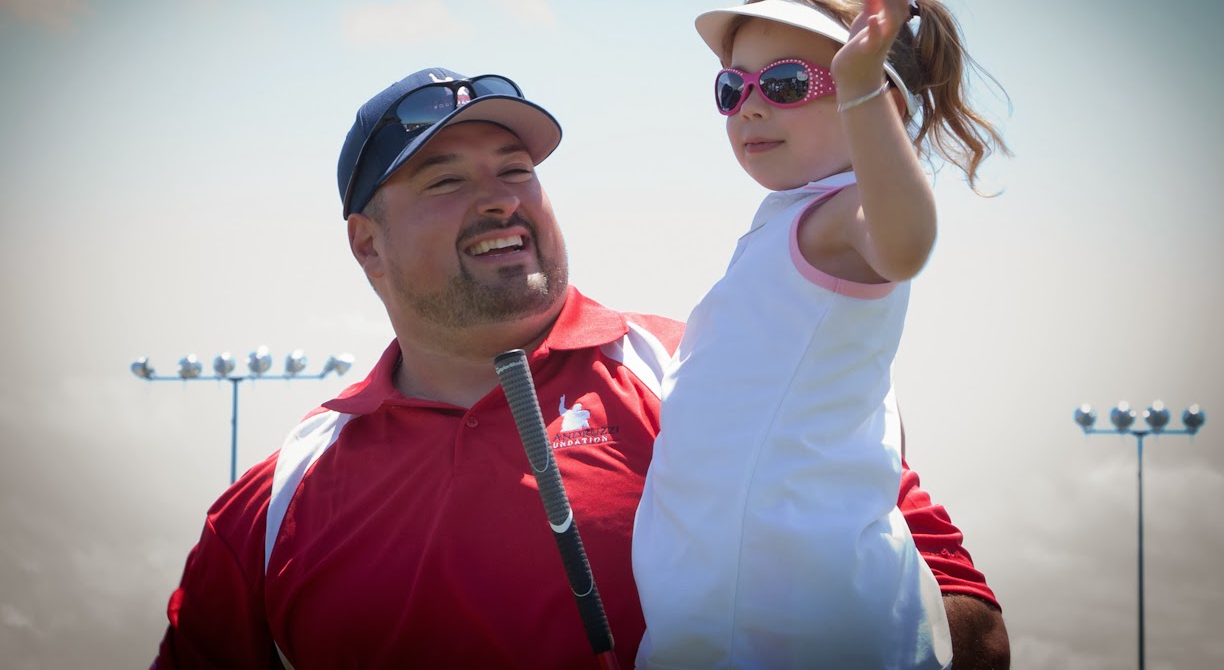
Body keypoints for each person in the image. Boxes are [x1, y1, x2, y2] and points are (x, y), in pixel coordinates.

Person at [152, 67, 1009, 669]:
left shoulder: (712, 370)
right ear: (365, 245)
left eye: (517, 170)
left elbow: (962, 610)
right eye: (444, 179)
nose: (500, 197)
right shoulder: (269, 509)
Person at [631, 0, 1011, 669]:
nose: (750, 104)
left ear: (883, 103)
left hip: (805, 633)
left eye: (784, 82)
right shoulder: (785, 222)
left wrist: (862, 86)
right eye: (731, 86)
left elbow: (905, 245)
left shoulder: (844, 217)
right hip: (721, 630)